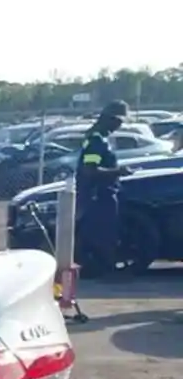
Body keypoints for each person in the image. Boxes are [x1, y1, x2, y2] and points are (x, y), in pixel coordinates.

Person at [74, 100, 128, 270]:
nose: (119, 126)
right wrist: (119, 172)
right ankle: (105, 269)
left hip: (100, 193)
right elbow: (90, 170)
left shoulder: (98, 138)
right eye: (118, 121)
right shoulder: (97, 141)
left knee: (100, 232)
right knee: (102, 233)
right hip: (98, 195)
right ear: (110, 119)